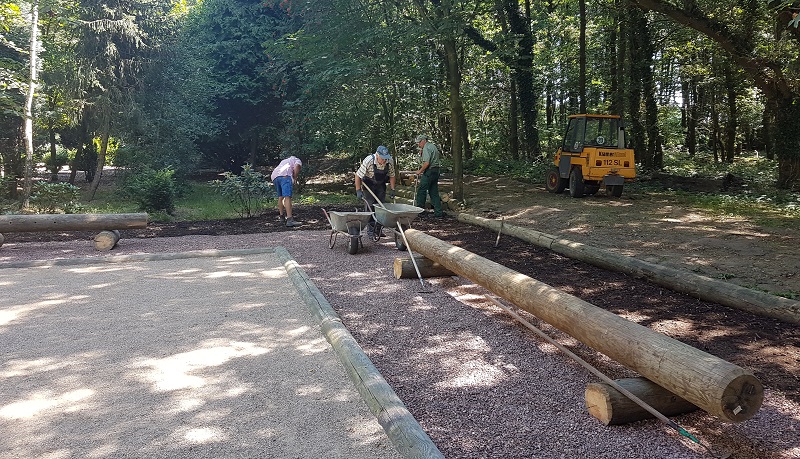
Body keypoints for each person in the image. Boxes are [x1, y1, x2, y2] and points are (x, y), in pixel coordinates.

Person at [355, 145, 396, 234]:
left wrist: (393, 189)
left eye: (385, 158)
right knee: (370, 205)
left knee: (381, 206)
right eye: (382, 158)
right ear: (377, 155)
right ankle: (370, 230)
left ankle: (378, 230)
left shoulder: (389, 161)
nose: (384, 160)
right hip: (368, 183)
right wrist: (358, 190)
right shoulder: (369, 160)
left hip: (381, 184)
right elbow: (358, 175)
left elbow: (392, 175)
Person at [413, 134, 444, 217]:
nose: (418, 145)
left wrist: (419, 171)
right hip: (436, 171)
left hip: (429, 171)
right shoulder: (432, 146)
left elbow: (426, 163)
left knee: (421, 190)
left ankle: (420, 211)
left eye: (419, 143)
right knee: (433, 192)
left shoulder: (426, 147)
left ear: (423, 141)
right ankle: (438, 212)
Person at [271, 153, 302, 227]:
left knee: (280, 197)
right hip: (285, 176)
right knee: (287, 197)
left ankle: (281, 217)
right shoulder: (297, 160)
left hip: (275, 177)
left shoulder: (284, 161)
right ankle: (290, 220)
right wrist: (295, 178)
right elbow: (297, 166)